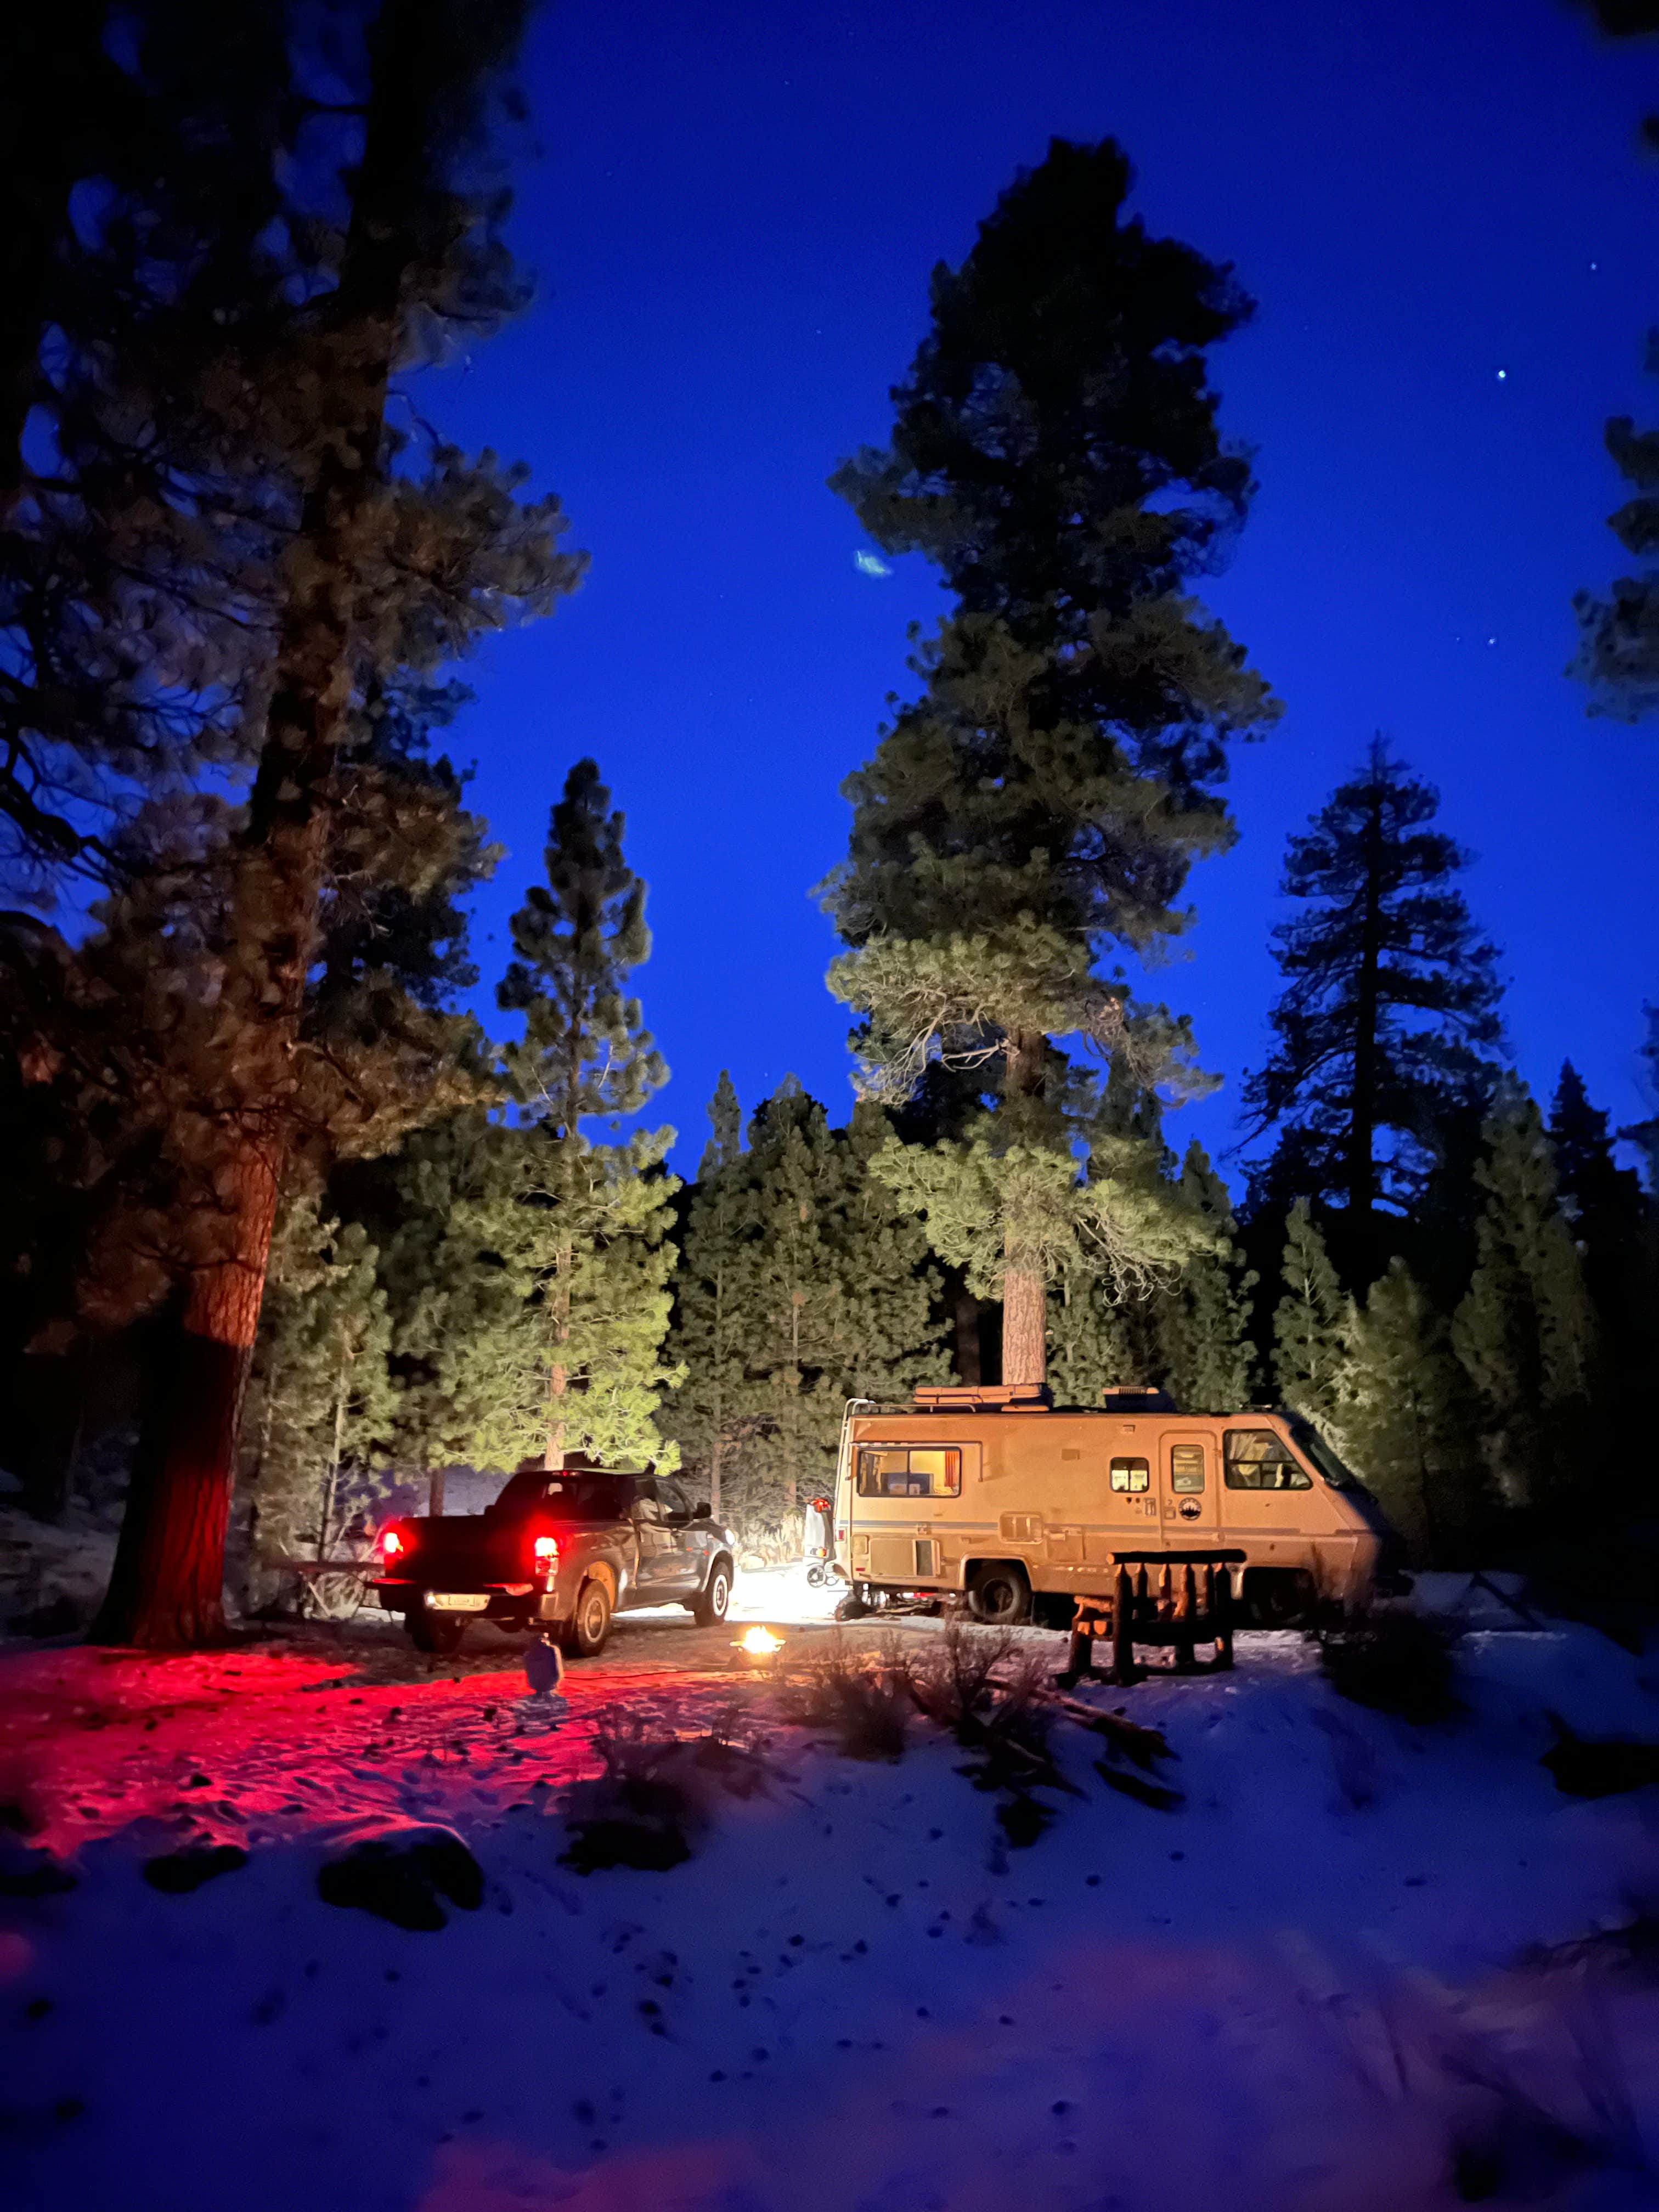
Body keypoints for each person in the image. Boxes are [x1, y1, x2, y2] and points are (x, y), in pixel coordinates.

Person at [520, 1632, 569, 1728]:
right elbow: (557, 1670)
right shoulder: (552, 1650)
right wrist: (557, 1681)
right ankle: (553, 1722)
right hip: (551, 1684)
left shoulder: (528, 1655)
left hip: (536, 1684)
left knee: (540, 1702)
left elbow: (530, 1672)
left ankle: (539, 1719)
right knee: (556, 1702)